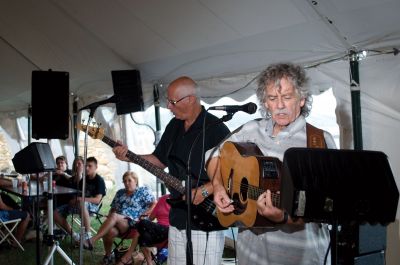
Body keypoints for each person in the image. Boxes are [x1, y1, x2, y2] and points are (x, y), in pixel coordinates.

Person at [206, 62, 336, 265]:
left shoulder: (318, 141)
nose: (280, 105)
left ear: (302, 99)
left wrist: (283, 218)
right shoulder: (250, 129)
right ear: (265, 102)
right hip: (249, 255)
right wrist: (218, 186)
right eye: (273, 98)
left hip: (299, 257)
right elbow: (213, 155)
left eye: (287, 97)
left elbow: (325, 204)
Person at [113, 76, 230, 265]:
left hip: (206, 219)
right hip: (177, 217)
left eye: (172, 102)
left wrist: (205, 190)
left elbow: (233, 173)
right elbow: (158, 160)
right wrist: (130, 156)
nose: (168, 106)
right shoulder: (174, 125)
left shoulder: (216, 129)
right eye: (168, 101)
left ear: (190, 99)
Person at [87, 171, 156, 265]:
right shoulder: (120, 193)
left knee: (114, 216)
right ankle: (108, 256)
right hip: (119, 224)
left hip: (135, 224)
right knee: (110, 231)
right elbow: (113, 209)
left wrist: (145, 214)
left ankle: (92, 240)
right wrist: (109, 216)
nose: (127, 183)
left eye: (129, 180)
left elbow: (154, 204)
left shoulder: (143, 190)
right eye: (124, 181)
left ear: (135, 181)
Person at [54, 156, 106, 244]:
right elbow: (77, 192)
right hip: (79, 204)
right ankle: (75, 236)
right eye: (86, 166)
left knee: (81, 203)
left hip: (92, 206)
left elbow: (97, 200)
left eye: (90, 166)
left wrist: (80, 199)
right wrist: (74, 199)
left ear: (96, 167)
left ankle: (87, 235)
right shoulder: (84, 179)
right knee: (54, 213)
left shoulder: (99, 180)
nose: (87, 168)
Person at [116, 194, 171, 265]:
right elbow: (151, 218)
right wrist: (145, 216)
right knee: (142, 235)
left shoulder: (183, 200)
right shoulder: (163, 199)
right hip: (158, 230)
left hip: (171, 231)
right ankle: (149, 263)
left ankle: (128, 256)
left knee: (142, 224)